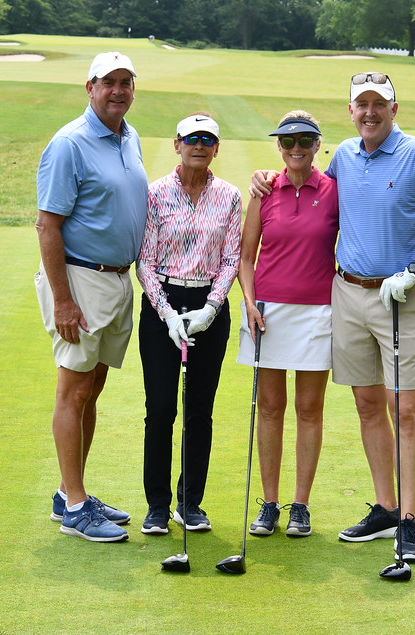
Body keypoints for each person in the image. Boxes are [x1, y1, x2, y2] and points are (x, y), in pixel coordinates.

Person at [252, 71, 415, 563]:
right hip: (346, 295)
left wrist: (414, 271)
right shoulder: (344, 157)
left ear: (395, 109)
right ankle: (386, 509)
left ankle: (408, 522)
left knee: (403, 409)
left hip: (399, 298)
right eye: (361, 104)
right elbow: (301, 182)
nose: (369, 112)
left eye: (379, 104)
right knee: (368, 405)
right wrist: (262, 177)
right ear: (350, 112)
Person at [34, 51, 147, 543]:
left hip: (118, 281)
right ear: (90, 87)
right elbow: (48, 224)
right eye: (109, 83)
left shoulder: (130, 135)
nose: (118, 91)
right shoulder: (69, 144)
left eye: (126, 83)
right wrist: (62, 300)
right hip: (80, 279)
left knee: (93, 387)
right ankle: (76, 508)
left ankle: (69, 492)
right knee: (73, 390)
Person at [136, 113, 242, 536]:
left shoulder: (230, 197)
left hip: (208, 310)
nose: (199, 145)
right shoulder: (155, 194)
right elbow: (144, 259)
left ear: (216, 148)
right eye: (192, 138)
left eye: (208, 139)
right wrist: (165, 313)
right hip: (161, 303)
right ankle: (157, 506)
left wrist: (211, 308)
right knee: (160, 409)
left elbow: (232, 259)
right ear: (177, 143)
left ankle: (190, 503)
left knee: (200, 412)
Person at [236, 111, 338, 538]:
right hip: (267, 312)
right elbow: (245, 257)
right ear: (279, 147)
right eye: (287, 142)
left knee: (309, 409)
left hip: (319, 311)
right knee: (272, 408)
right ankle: (270, 503)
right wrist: (248, 302)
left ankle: (301, 505)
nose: (296, 148)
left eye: (305, 141)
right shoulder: (264, 190)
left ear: (317, 145)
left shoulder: (335, 190)